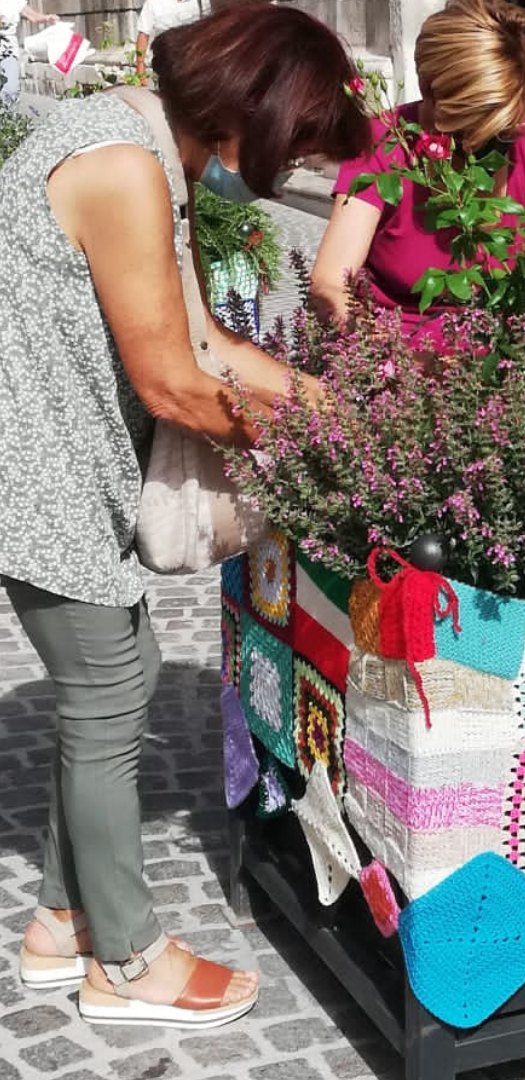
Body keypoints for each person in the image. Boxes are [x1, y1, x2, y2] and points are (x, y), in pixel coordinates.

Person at [0, 2, 367, 1029]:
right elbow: (172, 384)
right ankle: (124, 962)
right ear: (252, 107)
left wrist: (334, 409)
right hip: (34, 468)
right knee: (111, 690)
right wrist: (304, 465)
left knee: (109, 692)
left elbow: (205, 340)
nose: (292, 171)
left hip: (58, 459)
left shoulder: (146, 149)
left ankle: (58, 926)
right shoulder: (123, 164)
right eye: (296, 145)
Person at [310, 0, 525, 349]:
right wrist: (398, 360)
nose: (493, 142)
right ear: (428, 90)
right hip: (390, 356)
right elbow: (330, 283)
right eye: (477, 122)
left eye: (505, 124)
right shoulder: (382, 143)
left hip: (500, 363)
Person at [0, 0, 58, 105]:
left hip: (8, 50)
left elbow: (32, 15)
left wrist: (46, 18)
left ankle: (8, 116)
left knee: (11, 89)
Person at [133, 0, 203, 84]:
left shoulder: (202, 3)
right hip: (165, 63)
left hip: (193, 63)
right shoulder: (153, 3)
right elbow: (143, 34)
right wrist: (140, 68)